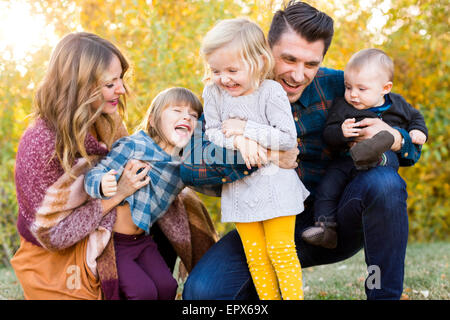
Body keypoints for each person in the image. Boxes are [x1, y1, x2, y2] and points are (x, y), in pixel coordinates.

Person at [181, 1, 424, 300]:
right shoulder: (233, 89)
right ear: (266, 49)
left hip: (331, 220)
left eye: (311, 64)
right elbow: (191, 166)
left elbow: (409, 136)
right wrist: (258, 156)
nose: (298, 75)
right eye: (289, 59)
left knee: (385, 184)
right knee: (202, 293)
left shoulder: (343, 86)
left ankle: (383, 295)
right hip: (262, 218)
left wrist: (396, 138)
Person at [10, 32, 217, 300]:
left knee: (179, 202)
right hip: (57, 256)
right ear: (80, 86)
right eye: (111, 83)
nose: (121, 89)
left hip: (113, 233)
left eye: (121, 79)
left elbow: (134, 166)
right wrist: (117, 194)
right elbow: (54, 236)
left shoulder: (105, 121)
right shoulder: (40, 144)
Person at [200, 18, 309, 300]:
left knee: (280, 250)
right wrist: (239, 140)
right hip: (239, 189)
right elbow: (212, 132)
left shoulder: (271, 91)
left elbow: (286, 137)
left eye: (232, 70)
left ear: (259, 61)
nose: (224, 78)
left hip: (276, 187)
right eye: (215, 70)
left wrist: (245, 128)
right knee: (256, 256)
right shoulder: (214, 92)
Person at [301, 48, 428, 248]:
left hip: (380, 163)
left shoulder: (398, 104)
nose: (353, 95)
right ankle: (326, 227)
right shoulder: (343, 106)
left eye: (362, 89)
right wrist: (341, 132)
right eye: (348, 87)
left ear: (385, 88)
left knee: (386, 152)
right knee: (327, 185)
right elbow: (328, 134)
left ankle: (379, 145)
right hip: (346, 160)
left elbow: (416, 118)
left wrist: (418, 132)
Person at [84, 87, 203, 300]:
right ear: (154, 119)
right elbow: (95, 173)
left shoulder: (185, 165)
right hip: (115, 241)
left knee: (167, 287)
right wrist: (103, 183)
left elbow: (213, 183)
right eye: (177, 110)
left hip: (143, 239)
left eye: (193, 115)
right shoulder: (135, 145)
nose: (186, 116)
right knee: (142, 292)